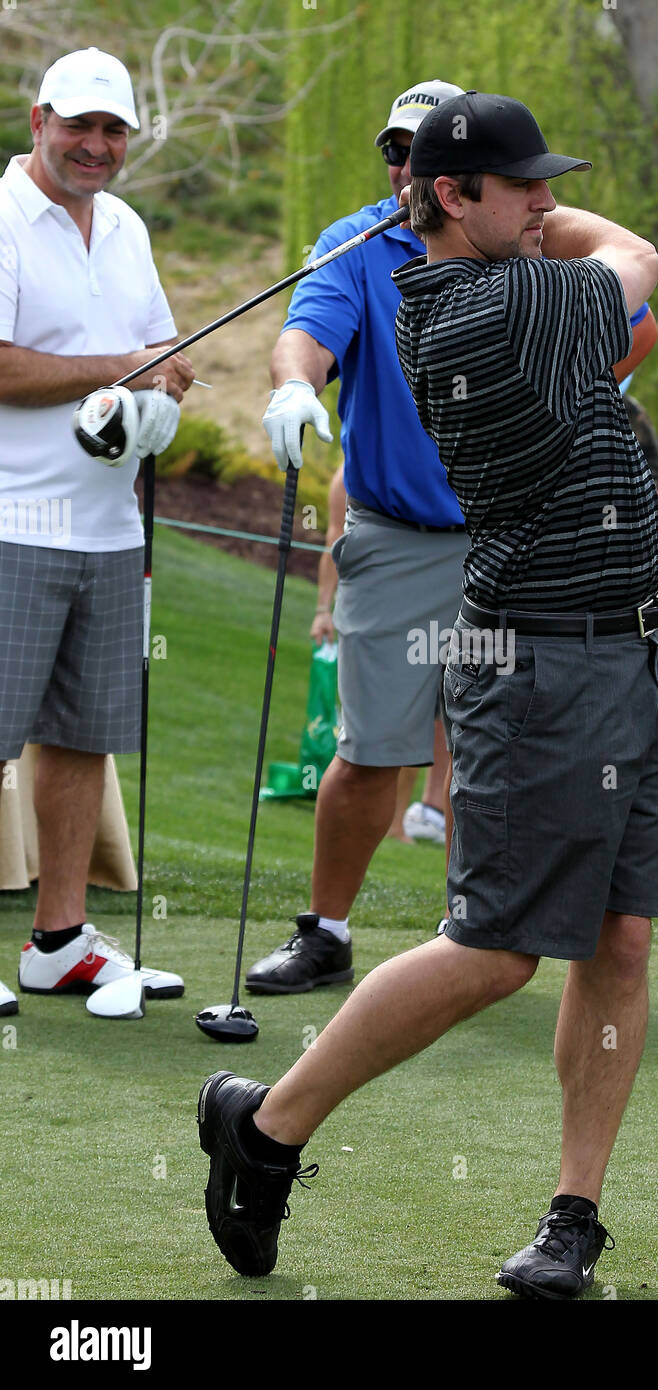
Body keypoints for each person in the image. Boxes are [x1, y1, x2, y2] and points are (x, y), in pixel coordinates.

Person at [198, 91, 658, 1302]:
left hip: (638, 648)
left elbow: (602, 270)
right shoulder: (483, 306)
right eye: (517, 183)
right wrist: (538, 219)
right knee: (496, 951)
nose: (541, 199)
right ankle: (266, 1126)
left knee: (620, 934)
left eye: (545, 181)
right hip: (541, 665)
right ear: (450, 199)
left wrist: (494, 202)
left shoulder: (503, 267)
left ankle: (573, 1213)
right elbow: (638, 256)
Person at [246, 80, 470, 995]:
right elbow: (308, 332)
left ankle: (478, 928)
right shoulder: (357, 241)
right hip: (399, 535)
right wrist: (295, 384)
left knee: (507, 750)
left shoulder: (525, 231)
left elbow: (633, 324)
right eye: (396, 148)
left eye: (427, 150)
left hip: (516, 534)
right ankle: (327, 932)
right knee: (371, 753)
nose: (405, 166)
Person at [0, 48, 193, 1015]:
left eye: (113, 129)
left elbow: (158, 348)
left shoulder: (124, 227)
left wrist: (161, 382)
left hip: (110, 526)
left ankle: (59, 940)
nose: (97, 145)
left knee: (81, 737)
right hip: (12, 519)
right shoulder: (0, 218)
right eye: (80, 125)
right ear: (40, 121)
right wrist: (121, 364)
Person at [309, 462, 450, 845]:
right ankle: (396, 822)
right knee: (402, 723)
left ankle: (426, 811)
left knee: (448, 721)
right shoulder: (350, 477)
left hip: (444, 599)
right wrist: (324, 609)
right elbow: (334, 541)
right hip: (396, 606)